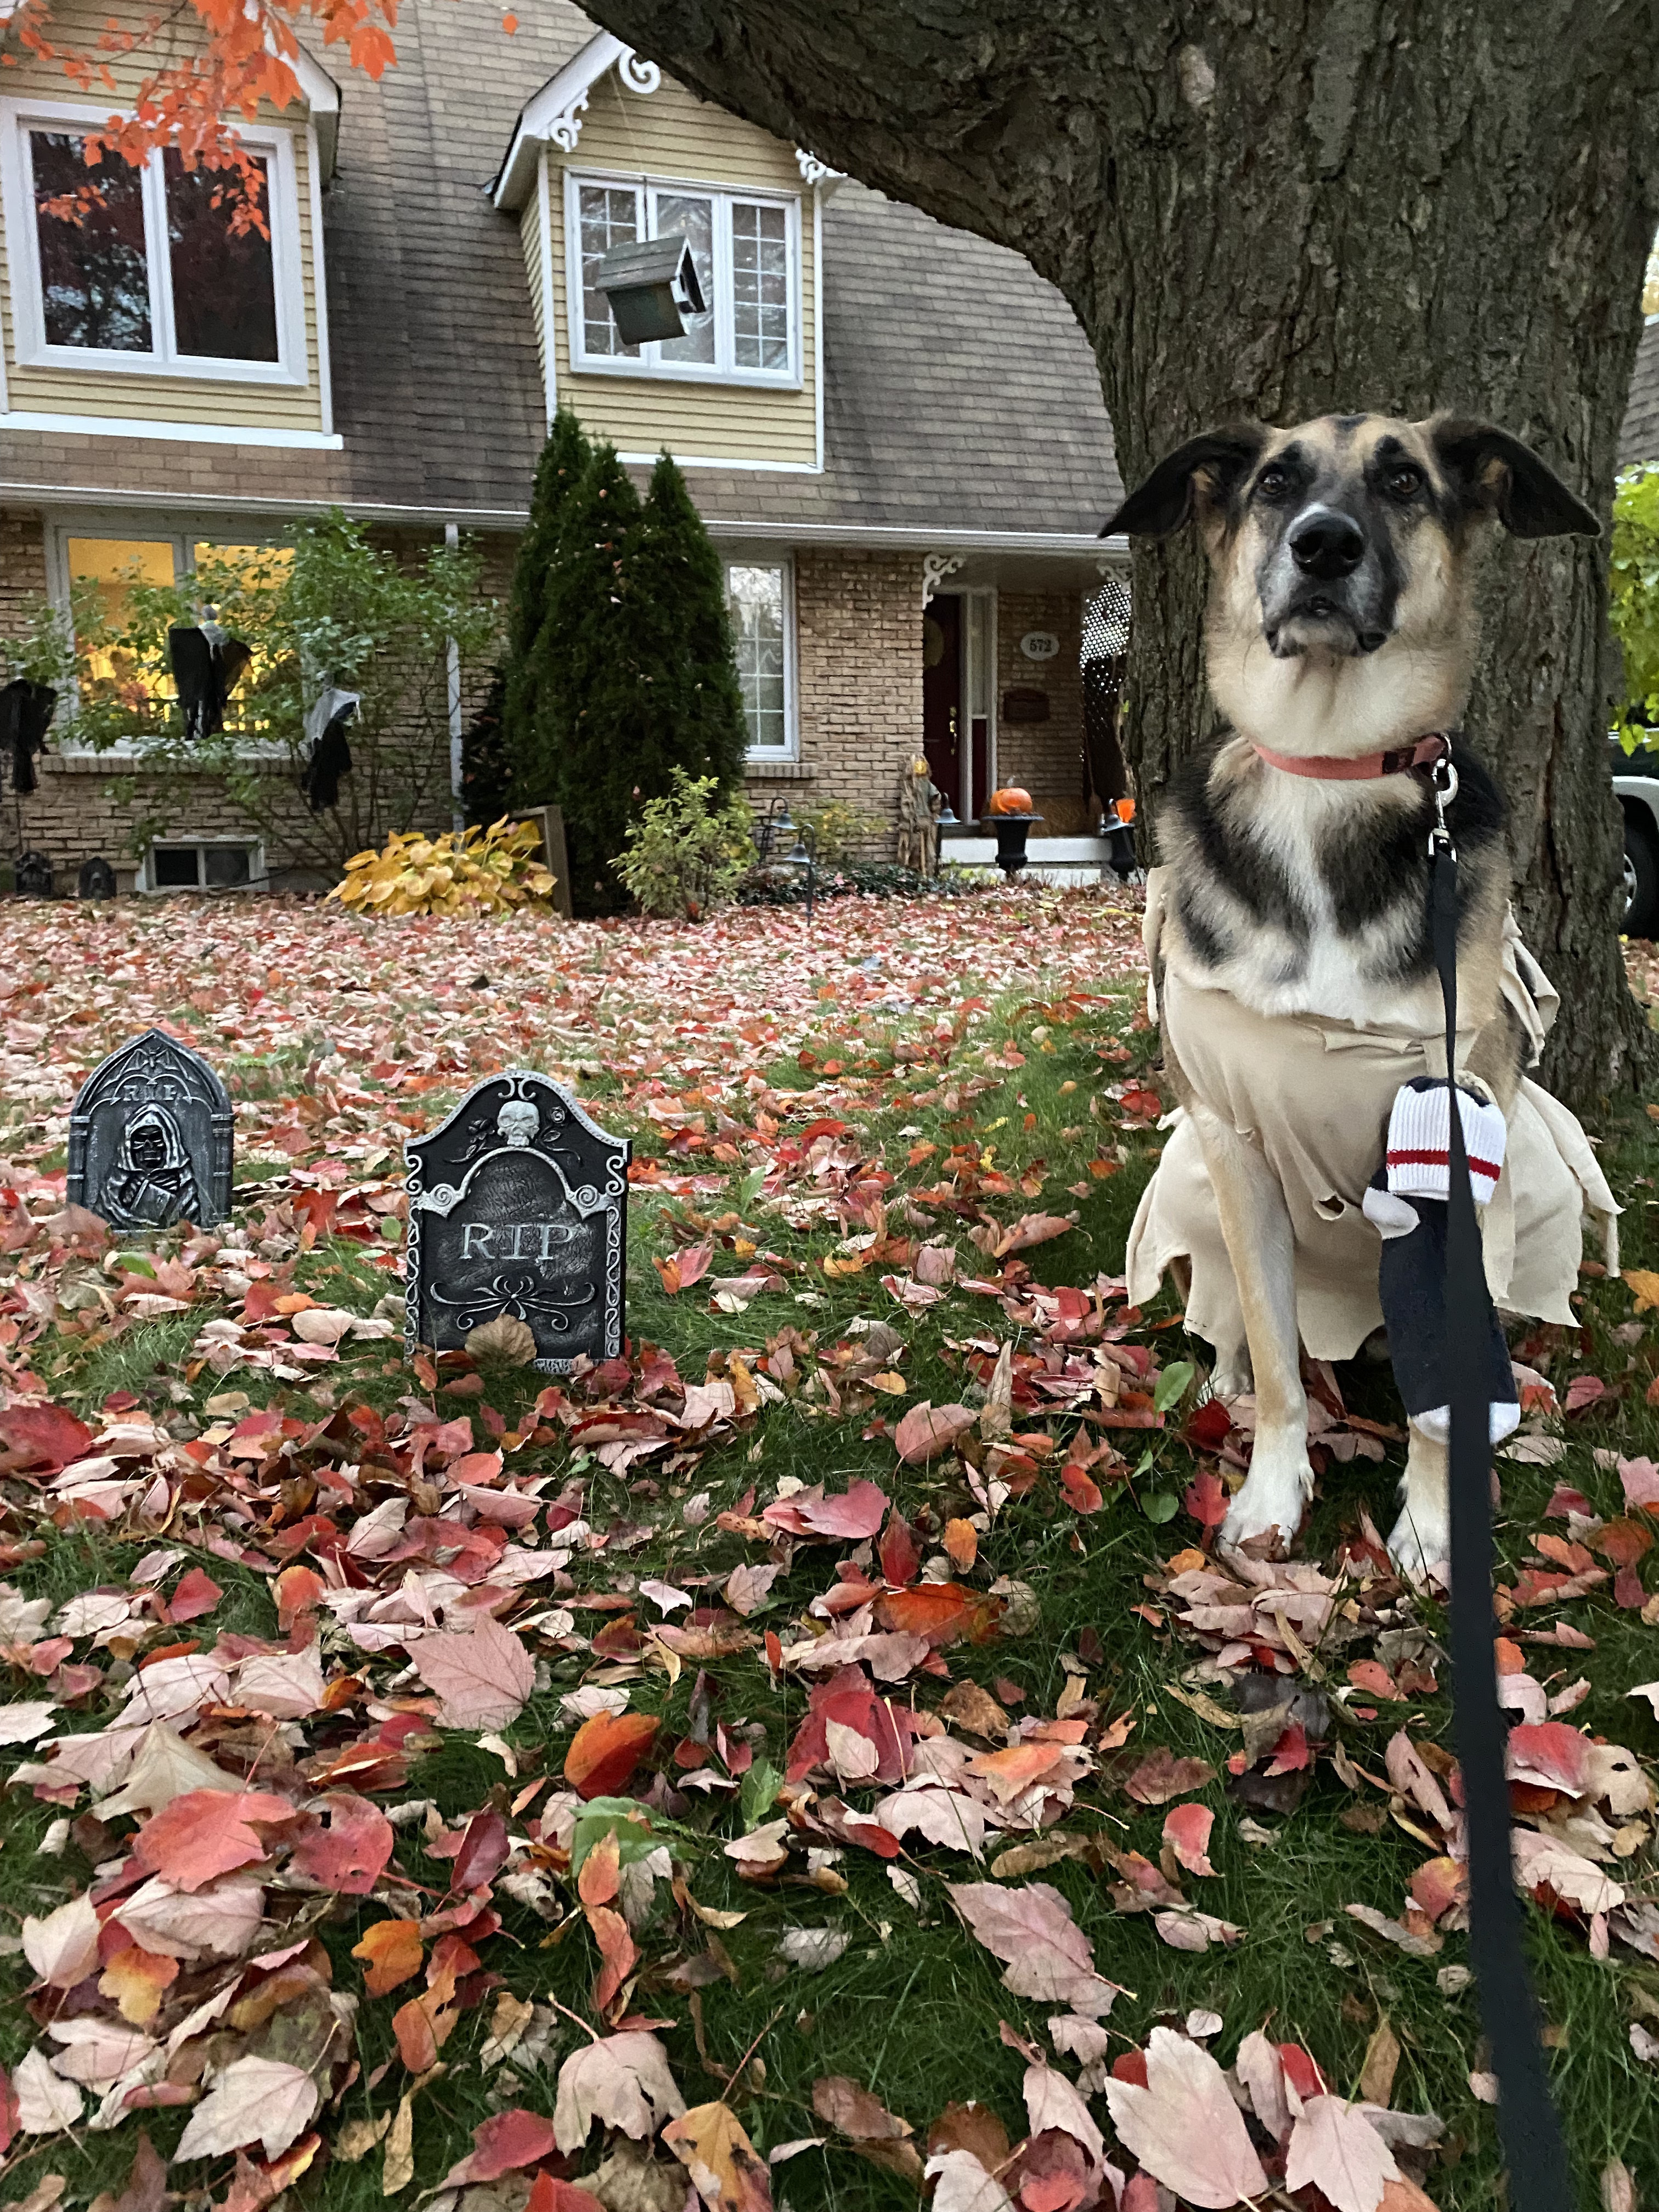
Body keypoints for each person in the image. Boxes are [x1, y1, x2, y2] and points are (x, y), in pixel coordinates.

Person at [99, 1104, 201, 1228]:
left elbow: (190, 1214)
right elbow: (108, 1210)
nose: (149, 1145)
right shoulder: (115, 1183)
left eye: (156, 1138)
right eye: (141, 1139)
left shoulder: (183, 1180)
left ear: (168, 1142)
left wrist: (172, 1200)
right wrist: (127, 1197)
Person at [897, 755, 944, 877]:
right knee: (915, 850)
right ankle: (917, 874)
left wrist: (933, 815)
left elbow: (935, 799)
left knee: (926, 851)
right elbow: (935, 801)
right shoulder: (910, 787)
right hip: (916, 824)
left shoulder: (924, 785)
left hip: (925, 822)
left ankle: (925, 874)